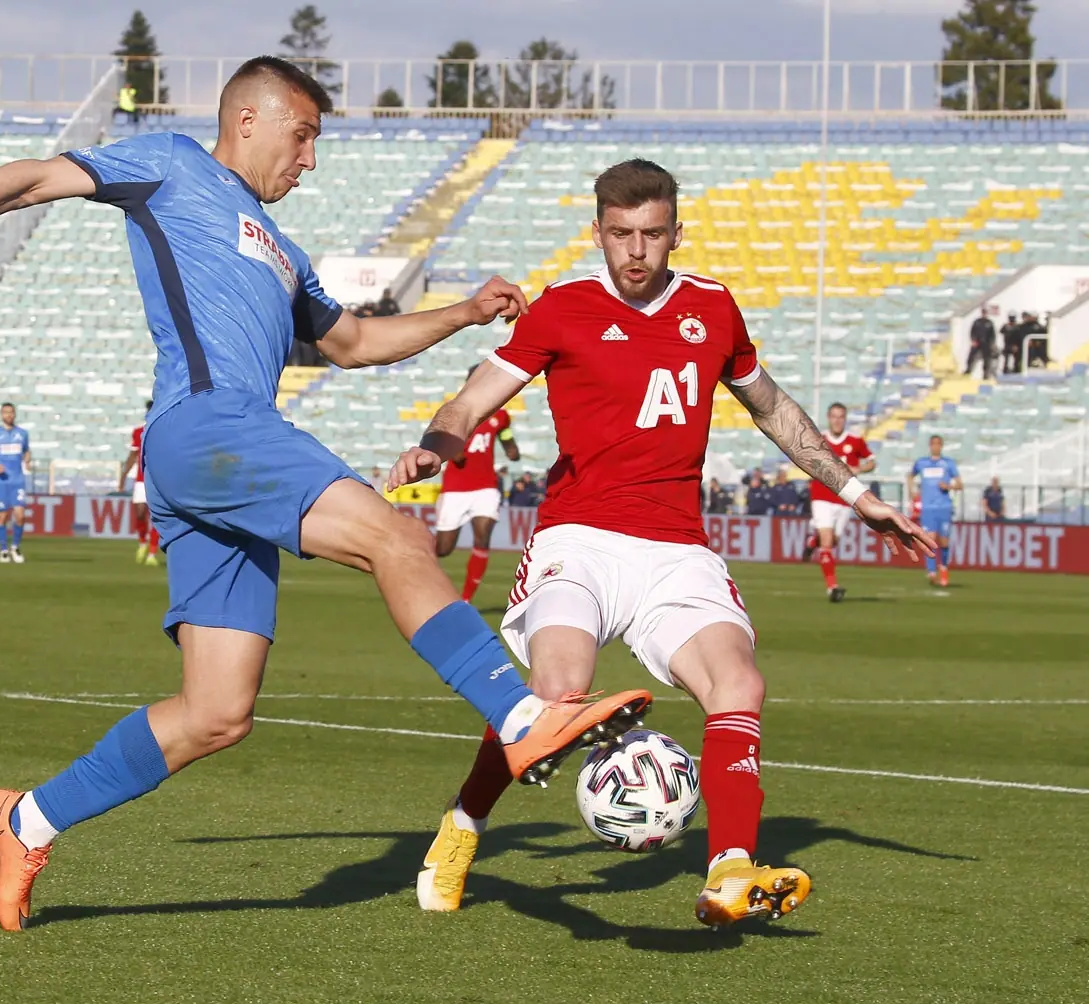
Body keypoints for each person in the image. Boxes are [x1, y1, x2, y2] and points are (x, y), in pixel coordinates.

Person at [0, 56, 649, 933]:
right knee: (392, 538)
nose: (309, 159)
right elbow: (37, 178)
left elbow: (351, 343)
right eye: (301, 137)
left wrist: (460, 313)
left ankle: (28, 819)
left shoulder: (282, 253)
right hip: (210, 425)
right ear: (247, 121)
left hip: (213, 460)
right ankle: (518, 714)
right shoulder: (170, 163)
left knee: (215, 713)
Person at [388, 158, 932, 927]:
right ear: (597, 233)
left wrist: (855, 493)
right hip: (578, 540)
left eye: (650, 234)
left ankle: (729, 870)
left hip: (676, 549)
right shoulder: (562, 309)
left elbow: (771, 408)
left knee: (737, 684)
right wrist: (435, 449)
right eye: (620, 234)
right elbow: (471, 400)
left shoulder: (712, 307)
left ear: (676, 232)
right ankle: (464, 823)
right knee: (557, 691)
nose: (635, 250)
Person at [433, 364, 522, 603]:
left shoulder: (500, 416)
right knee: (443, 549)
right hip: (456, 488)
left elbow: (506, 439)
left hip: (486, 486)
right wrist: (452, 450)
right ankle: (413, 555)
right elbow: (440, 440)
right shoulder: (455, 411)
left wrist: (512, 450)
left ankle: (465, 600)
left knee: (483, 537)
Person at [805, 402, 876, 602]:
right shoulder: (819, 440)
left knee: (833, 540)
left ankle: (813, 541)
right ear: (829, 418)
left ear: (845, 419)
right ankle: (832, 587)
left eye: (841, 417)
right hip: (821, 496)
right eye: (834, 416)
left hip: (845, 499)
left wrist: (859, 469)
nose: (837, 421)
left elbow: (872, 461)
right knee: (828, 543)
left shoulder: (855, 441)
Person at [907, 434, 961, 587]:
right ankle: (931, 572)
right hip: (928, 508)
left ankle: (943, 567)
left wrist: (948, 486)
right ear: (930, 446)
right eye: (933, 444)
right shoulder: (922, 463)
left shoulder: (948, 463)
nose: (935, 446)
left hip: (944, 507)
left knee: (944, 542)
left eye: (938, 444)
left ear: (941, 446)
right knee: (929, 539)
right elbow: (910, 476)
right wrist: (912, 491)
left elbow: (960, 484)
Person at [0, 403, 30, 564]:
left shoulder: (22, 433)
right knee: (2, 516)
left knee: (20, 515)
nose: (8, 415)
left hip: (17, 480)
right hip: (1, 480)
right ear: (1, 414)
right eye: (5, 412)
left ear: (14, 414)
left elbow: (26, 450)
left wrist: (27, 460)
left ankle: (15, 547)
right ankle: (3, 549)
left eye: (11, 412)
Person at [119, 399, 161, 566]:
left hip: (158, 480)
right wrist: (123, 477)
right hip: (141, 480)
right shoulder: (138, 432)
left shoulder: (164, 431)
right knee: (140, 514)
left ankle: (152, 553)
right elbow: (132, 456)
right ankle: (142, 543)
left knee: (156, 516)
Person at [966, 307, 995, 379]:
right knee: (971, 356)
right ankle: (968, 369)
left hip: (986, 343)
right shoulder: (977, 322)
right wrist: (973, 340)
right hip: (977, 342)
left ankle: (986, 373)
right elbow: (972, 332)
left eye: (985, 313)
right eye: (983, 312)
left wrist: (991, 344)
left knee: (987, 358)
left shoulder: (989, 323)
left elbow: (992, 335)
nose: (984, 314)